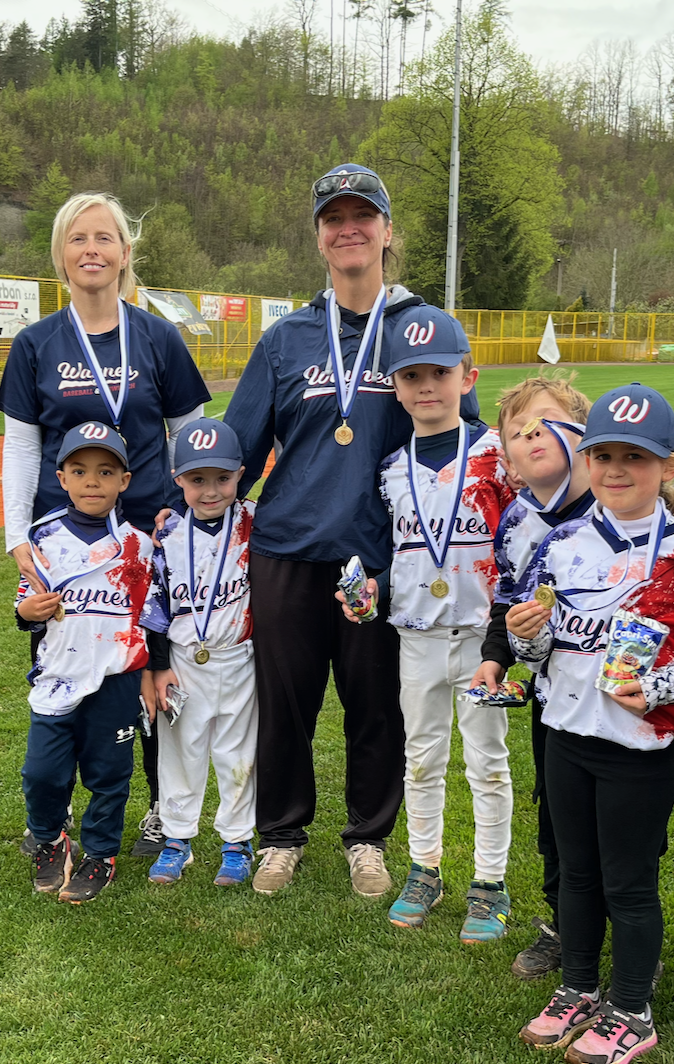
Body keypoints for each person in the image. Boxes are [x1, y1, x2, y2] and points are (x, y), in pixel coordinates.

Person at [228, 164, 485, 898]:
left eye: (362, 216)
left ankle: (367, 839)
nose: (349, 229)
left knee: (376, 708)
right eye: (333, 218)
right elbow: (240, 449)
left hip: (380, 558)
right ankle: (281, 836)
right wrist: (180, 512)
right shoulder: (287, 339)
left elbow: (466, 445)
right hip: (287, 550)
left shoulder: (418, 329)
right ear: (319, 237)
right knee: (286, 705)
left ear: (386, 231)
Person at [509, 385, 674, 1064]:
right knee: (577, 876)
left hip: (640, 749)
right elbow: (543, 650)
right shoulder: (562, 544)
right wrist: (524, 636)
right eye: (604, 456)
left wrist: (655, 691)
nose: (617, 470)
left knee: (629, 882)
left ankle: (633, 1009)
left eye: (635, 458)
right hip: (566, 736)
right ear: (586, 461)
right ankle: (579, 987)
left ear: (668, 467)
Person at [0, 191, 211, 860]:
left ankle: (162, 807)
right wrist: (16, 535)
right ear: (61, 255)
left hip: (147, 534)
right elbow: (21, 446)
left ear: (124, 252)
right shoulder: (36, 343)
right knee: (63, 665)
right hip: (63, 540)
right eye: (77, 238)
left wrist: (186, 509)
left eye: (104, 238)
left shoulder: (158, 337)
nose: (91, 249)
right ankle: (55, 810)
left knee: (150, 664)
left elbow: (191, 433)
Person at [337, 305, 515, 940]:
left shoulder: (498, 456)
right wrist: (371, 589)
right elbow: (396, 556)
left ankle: (490, 882)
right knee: (421, 758)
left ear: (468, 377)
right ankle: (425, 868)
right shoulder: (390, 466)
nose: (427, 387)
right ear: (395, 386)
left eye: (440, 372)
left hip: (481, 638)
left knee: (487, 762)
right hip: (416, 634)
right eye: (411, 376)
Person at [473, 375, 593, 977]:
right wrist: (495, 657)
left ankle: (628, 933)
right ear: (509, 460)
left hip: (626, 698)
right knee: (556, 814)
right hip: (554, 694)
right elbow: (507, 601)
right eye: (518, 432)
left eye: (546, 423)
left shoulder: (621, 506)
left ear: (583, 435)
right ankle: (563, 922)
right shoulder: (517, 519)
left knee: (622, 825)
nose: (532, 436)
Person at [15, 424, 161, 904]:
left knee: (108, 775)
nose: (92, 481)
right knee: (41, 772)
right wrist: (27, 611)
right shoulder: (42, 538)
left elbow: (149, 617)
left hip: (115, 678)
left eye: (105, 471)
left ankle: (100, 854)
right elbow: (25, 605)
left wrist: (147, 672)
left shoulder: (138, 545)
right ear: (61, 478)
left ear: (125, 481)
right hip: (58, 677)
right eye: (79, 471)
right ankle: (50, 840)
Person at [145, 419, 258, 888]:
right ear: (179, 481)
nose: (211, 491)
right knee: (179, 752)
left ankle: (237, 841)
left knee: (238, 753)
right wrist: (158, 667)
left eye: (222, 478)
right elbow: (154, 608)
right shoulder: (167, 535)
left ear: (240, 475)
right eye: (197, 479)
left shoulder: (254, 522)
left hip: (239, 657)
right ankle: (176, 839)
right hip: (183, 660)